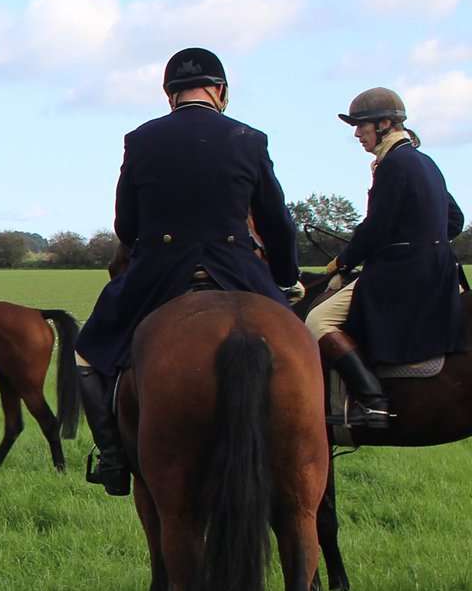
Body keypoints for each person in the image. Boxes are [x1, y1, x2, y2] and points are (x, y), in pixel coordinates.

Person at [74, 47, 301, 495]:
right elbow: (277, 221)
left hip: (161, 272)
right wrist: (286, 276)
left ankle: (114, 457)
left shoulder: (140, 139)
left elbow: (127, 225)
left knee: (87, 352)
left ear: (169, 94)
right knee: (303, 348)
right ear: (220, 91)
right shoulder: (249, 138)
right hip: (239, 271)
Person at [302, 87, 465, 426]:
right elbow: (455, 220)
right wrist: (422, 242)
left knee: (318, 320)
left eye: (362, 126)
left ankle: (372, 401)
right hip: (440, 270)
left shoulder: (393, 165)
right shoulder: (425, 162)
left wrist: (342, 262)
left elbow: (375, 229)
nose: (358, 134)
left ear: (386, 124)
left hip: (404, 276)